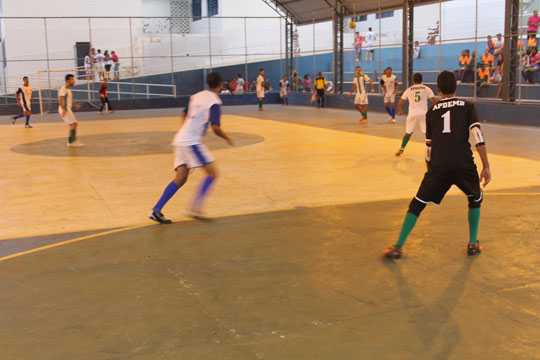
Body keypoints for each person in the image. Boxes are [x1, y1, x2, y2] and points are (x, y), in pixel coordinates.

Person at [383, 70, 490, 259]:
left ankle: (398, 246)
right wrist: (486, 166)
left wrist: (430, 170)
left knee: (417, 203)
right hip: (463, 163)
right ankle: (473, 244)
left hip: (438, 165)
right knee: (475, 199)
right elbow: (478, 137)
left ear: (438, 89)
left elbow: (429, 147)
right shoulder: (468, 106)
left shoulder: (431, 112)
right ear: (456, 86)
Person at [148, 72, 234, 223]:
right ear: (220, 85)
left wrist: (186, 133)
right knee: (212, 173)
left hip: (180, 139)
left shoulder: (196, 96)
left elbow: (183, 115)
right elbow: (215, 127)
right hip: (191, 142)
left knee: (181, 178)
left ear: (207, 83)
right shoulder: (214, 101)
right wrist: (227, 138)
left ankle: (156, 210)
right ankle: (195, 208)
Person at [395, 73, 438, 156]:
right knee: (427, 133)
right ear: (421, 80)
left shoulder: (409, 89)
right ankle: (433, 150)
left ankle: (402, 148)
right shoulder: (426, 89)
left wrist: (400, 110)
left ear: (413, 80)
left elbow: (400, 102)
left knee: (408, 133)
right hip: (423, 114)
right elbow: (434, 101)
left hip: (412, 114)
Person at [59, 74, 83, 147]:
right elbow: (60, 100)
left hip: (67, 108)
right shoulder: (64, 88)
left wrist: (75, 104)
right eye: (72, 79)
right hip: (65, 109)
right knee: (74, 124)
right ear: (68, 80)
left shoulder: (68, 89)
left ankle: (72, 141)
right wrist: (63, 110)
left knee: (73, 124)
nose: (74, 81)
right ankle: (71, 142)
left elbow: (70, 99)